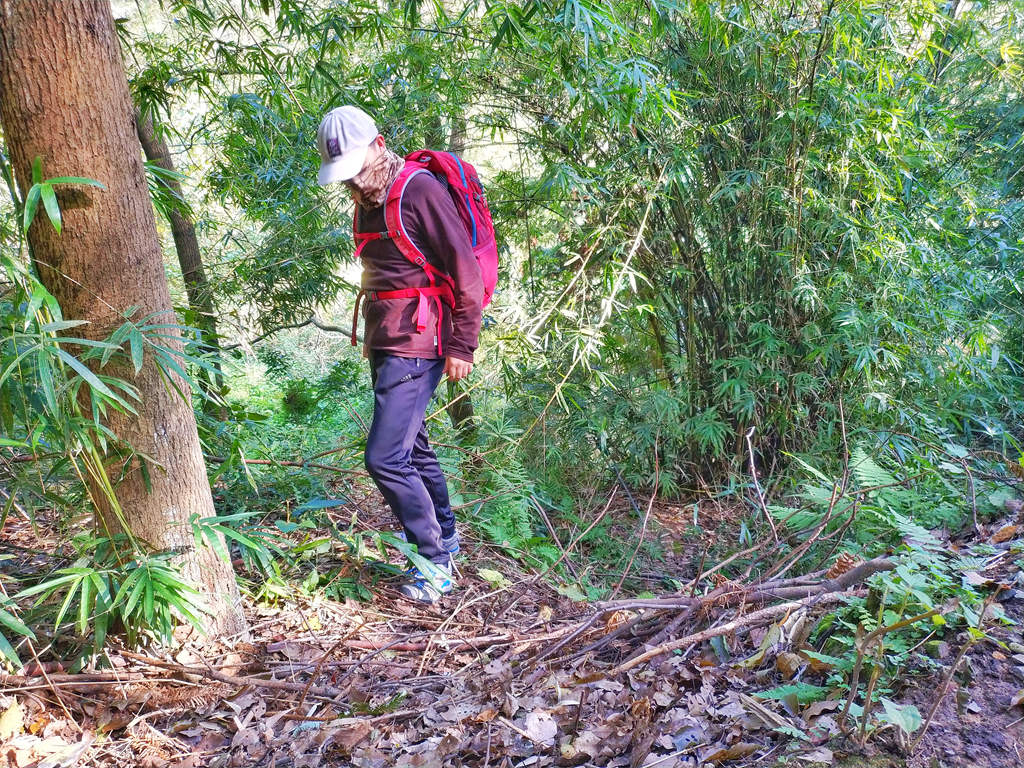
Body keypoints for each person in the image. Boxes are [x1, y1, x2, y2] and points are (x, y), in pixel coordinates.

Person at [316, 105, 483, 603]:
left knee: (384, 458)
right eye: (345, 175)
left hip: (420, 340)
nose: (356, 183)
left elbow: (465, 270)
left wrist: (462, 344)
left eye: (358, 168)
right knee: (412, 448)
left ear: (379, 145)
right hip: (385, 338)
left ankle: (433, 564)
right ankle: (446, 537)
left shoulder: (420, 191)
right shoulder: (367, 197)